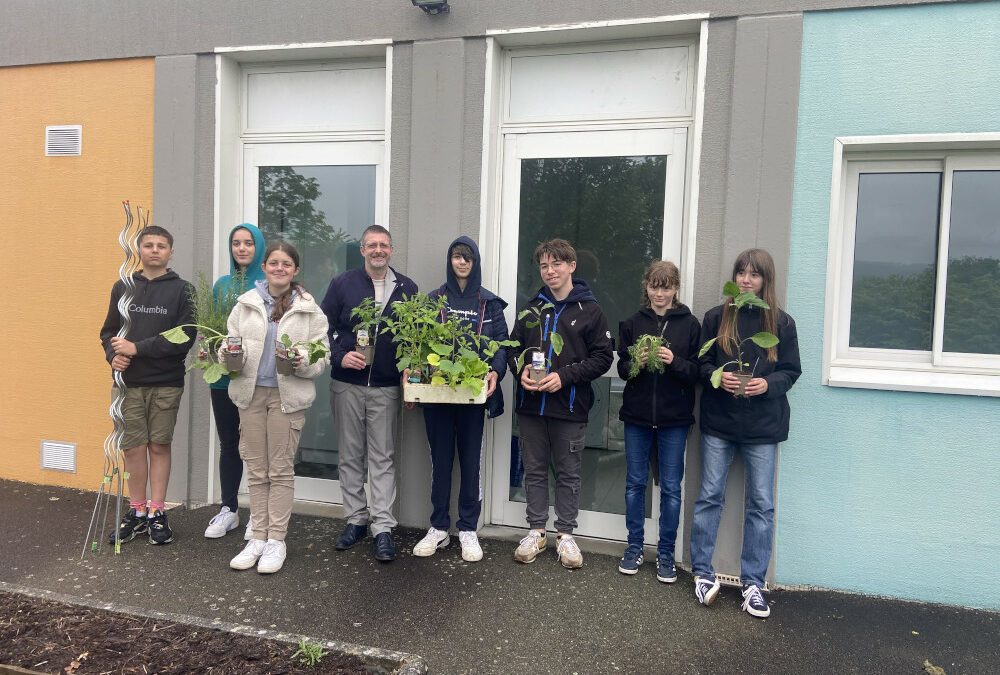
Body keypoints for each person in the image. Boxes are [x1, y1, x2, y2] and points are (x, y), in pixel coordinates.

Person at [689, 248, 801, 618]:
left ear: (765, 281)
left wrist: (766, 385)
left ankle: (753, 582)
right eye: (741, 272)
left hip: (763, 426)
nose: (745, 280)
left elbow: (791, 370)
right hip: (720, 422)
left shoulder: (780, 324)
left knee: (762, 505)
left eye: (754, 274)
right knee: (709, 496)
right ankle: (703, 573)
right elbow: (701, 364)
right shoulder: (716, 318)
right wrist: (718, 379)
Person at [508, 238, 613, 569]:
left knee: (568, 473)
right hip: (531, 406)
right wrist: (519, 369)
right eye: (544, 265)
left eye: (556, 264)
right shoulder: (531, 309)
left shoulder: (590, 311)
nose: (549, 271)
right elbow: (512, 348)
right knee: (535, 470)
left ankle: (565, 535)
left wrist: (564, 376)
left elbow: (602, 358)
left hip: (569, 407)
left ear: (571, 266)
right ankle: (536, 531)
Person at [226, 242, 329, 574]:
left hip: (287, 399)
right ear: (265, 267)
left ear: (295, 270)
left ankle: (276, 541)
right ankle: (257, 537)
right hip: (251, 395)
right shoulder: (245, 304)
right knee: (257, 471)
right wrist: (226, 356)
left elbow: (321, 357)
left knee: (280, 471)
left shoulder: (309, 310)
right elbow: (228, 346)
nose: (279, 268)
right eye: (274, 263)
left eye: (286, 264)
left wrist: (302, 362)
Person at [320, 225, 417, 562]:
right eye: (372, 245)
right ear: (362, 250)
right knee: (350, 455)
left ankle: (383, 527)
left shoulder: (407, 288)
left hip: (387, 386)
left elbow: (412, 341)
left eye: (384, 245)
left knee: (382, 457)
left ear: (391, 250)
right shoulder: (342, 284)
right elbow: (321, 330)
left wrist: (411, 382)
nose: (378, 250)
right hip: (347, 383)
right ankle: (355, 520)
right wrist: (340, 355)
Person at [411, 236, 510, 563]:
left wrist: (495, 372)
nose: (462, 262)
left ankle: (467, 528)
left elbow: (502, 345)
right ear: (450, 261)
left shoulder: (489, 303)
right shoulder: (433, 300)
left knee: (470, 464)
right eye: (457, 256)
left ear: (476, 261)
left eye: (467, 257)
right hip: (437, 396)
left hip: (473, 398)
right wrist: (412, 376)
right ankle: (438, 527)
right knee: (439, 462)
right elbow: (420, 344)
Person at [100, 225, 195, 546]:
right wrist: (114, 355)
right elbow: (109, 332)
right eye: (149, 245)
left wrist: (137, 348)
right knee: (133, 448)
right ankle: (137, 511)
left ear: (171, 252)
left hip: (165, 383)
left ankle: (157, 512)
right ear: (139, 250)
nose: (155, 250)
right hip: (128, 384)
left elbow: (185, 336)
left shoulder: (183, 290)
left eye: (162, 245)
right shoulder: (123, 287)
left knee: (159, 446)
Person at [615, 260, 700, 582]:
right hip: (637, 417)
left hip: (674, 419)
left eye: (666, 287)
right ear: (646, 287)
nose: (660, 293)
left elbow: (698, 372)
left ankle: (666, 553)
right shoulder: (633, 322)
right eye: (654, 286)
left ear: (676, 288)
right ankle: (634, 547)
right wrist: (633, 362)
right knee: (635, 484)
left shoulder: (690, 324)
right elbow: (622, 368)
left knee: (671, 489)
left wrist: (674, 361)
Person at [204, 223, 266, 540]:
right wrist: (208, 350)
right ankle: (229, 509)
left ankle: (259, 513)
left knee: (255, 447)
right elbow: (212, 327)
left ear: (259, 248)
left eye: (248, 243)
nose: (241, 249)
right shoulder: (222, 284)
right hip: (223, 379)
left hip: (255, 380)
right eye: (236, 243)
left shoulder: (268, 286)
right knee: (228, 444)